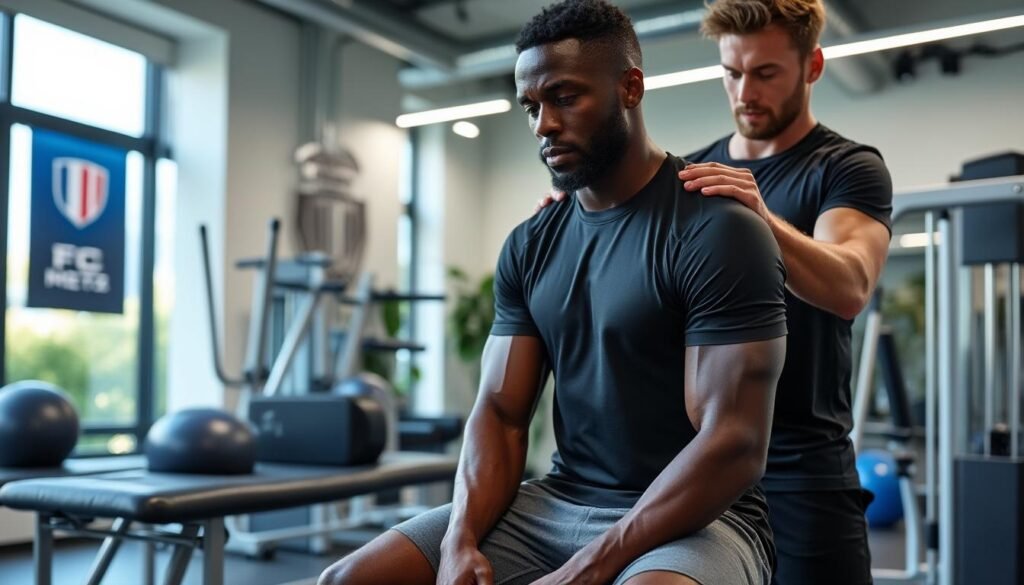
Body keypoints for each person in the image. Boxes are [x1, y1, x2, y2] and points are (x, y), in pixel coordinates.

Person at [320, 1, 788, 584]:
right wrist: (459, 540)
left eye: (565, 97)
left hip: (700, 519)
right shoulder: (531, 244)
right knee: (347, 580)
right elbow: (500, 414)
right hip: (557, 503)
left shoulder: (716, 229)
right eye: (531, 106)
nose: (543, 124)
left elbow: (733, 442)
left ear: (630, 88)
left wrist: (587, 568)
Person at [538, 1, 893, 583]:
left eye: (766, 73)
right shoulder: (692, 173)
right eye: (733, 72)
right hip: (701, 471)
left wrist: (761, 217)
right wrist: (578, 211)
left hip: (802, 469)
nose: (745, 92)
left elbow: (851, 284)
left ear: (812, 67)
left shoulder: (845, 167)